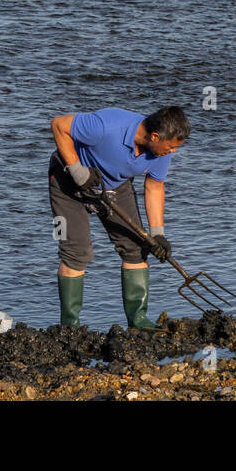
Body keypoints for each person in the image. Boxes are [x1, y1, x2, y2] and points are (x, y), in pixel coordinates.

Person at [47, 105, 189, 328]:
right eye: (171, 146)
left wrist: (157, 234)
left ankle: (138, 320)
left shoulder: (160, 152)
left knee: (137, 248)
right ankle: (69, 327)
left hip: (114, 186)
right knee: (76, 252)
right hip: (67, 182)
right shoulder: (107, 125)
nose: (173, 152)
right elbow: (58, 124)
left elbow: (154, 187)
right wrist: (78, 171)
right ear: (155, 136)